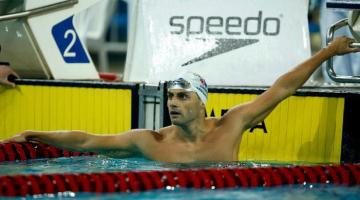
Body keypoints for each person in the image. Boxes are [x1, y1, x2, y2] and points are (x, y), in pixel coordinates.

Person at [1, 36, 359, 163]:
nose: (173, 103)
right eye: (170, 96)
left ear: (201, 101)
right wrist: (35, 134)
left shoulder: (231, 124)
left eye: (182, 96)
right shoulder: (149, 141)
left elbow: (282, 88)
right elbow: (86, 140)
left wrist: (328, 51)